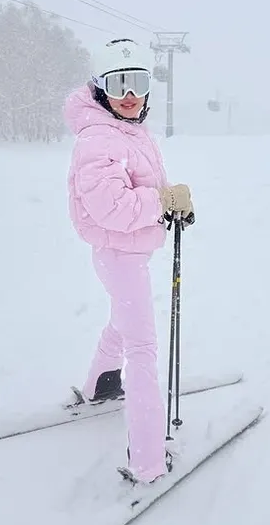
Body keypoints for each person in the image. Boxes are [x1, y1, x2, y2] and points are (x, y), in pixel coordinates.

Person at [64, 38, 194, 484]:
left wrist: (170, 201)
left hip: (124, 254)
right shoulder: (100, 138)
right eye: (118, 84)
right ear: (100, 88)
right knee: (142, 349)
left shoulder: (125, 131)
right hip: (118, 252)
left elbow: (140, 185)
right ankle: (148, 462)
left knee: (123, 321)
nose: (130, 94)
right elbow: (112, 207)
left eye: (137, 82)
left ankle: (101, 383)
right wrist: (162, 201)